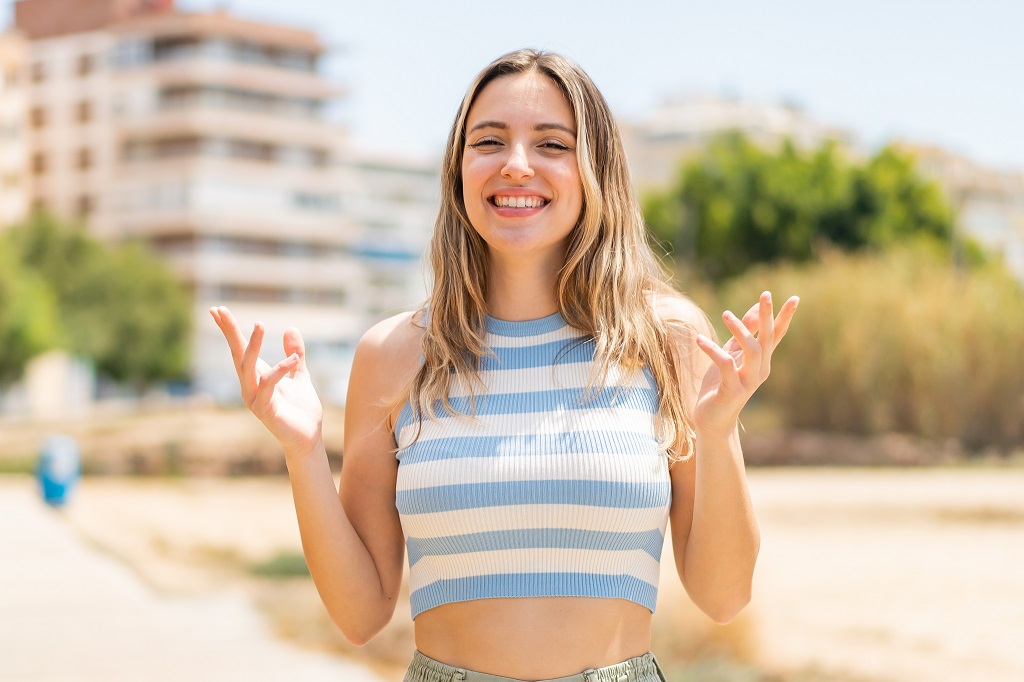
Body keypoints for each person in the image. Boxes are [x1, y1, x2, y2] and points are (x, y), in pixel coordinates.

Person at [211, 49, 798, 682]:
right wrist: (302, 452)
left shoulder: (667, 339)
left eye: (552, 145)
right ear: (458, 169)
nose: (516, 166)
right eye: (488, 141)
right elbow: (360, 615)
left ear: (596, 168)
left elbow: (724, 595)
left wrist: (715, 435)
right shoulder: (392, 355)